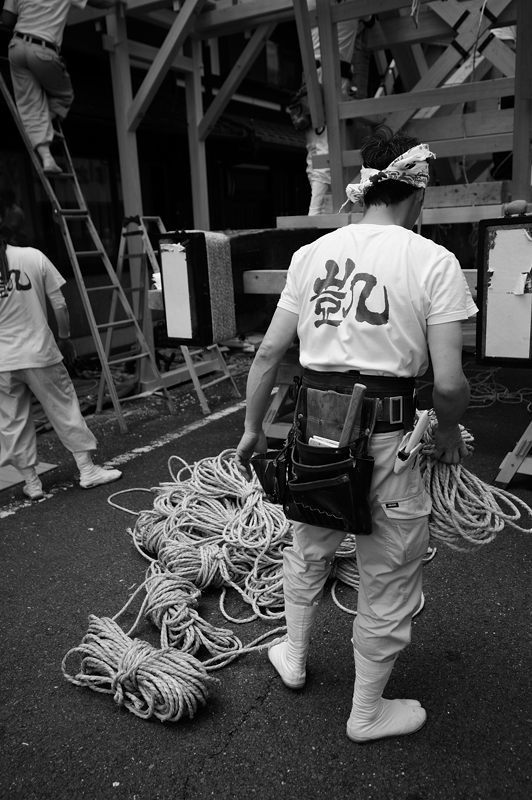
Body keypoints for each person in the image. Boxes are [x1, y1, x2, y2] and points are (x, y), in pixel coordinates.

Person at [235, 127, 477, 743]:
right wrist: (447, 431)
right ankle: (366, 712)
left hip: (313, 426)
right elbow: (448, 384)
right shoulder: (433, 260)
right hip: (391, 434)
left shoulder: (312, 254)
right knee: (388, 568)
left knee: (309, 540)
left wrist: (251, 428)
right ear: (416, 194)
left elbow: (268, 353)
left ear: (367, 186)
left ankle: (292, 654)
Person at [0, 232, 122, 499]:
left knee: (12, 420)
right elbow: (59, 304)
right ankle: (87, 470)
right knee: (63, 408)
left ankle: (32, 484)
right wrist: (65, 338)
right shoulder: (33, 256)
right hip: (39, 352)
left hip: (2, 361)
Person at [0, 0, 117, 174]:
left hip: (16, 48)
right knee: (64, 96)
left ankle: (47, 158)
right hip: (43, 50)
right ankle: (45, 119)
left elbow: (7, 19)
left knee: (29, 105)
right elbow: (101, 2)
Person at [304, 0, 359, 215]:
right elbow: (369, 18)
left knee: (315, 148)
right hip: (333, 79)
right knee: (325, 148)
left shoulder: (309, 5)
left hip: (309, 79)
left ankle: (316, 210)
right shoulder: (351, 8)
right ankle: (315, 212)